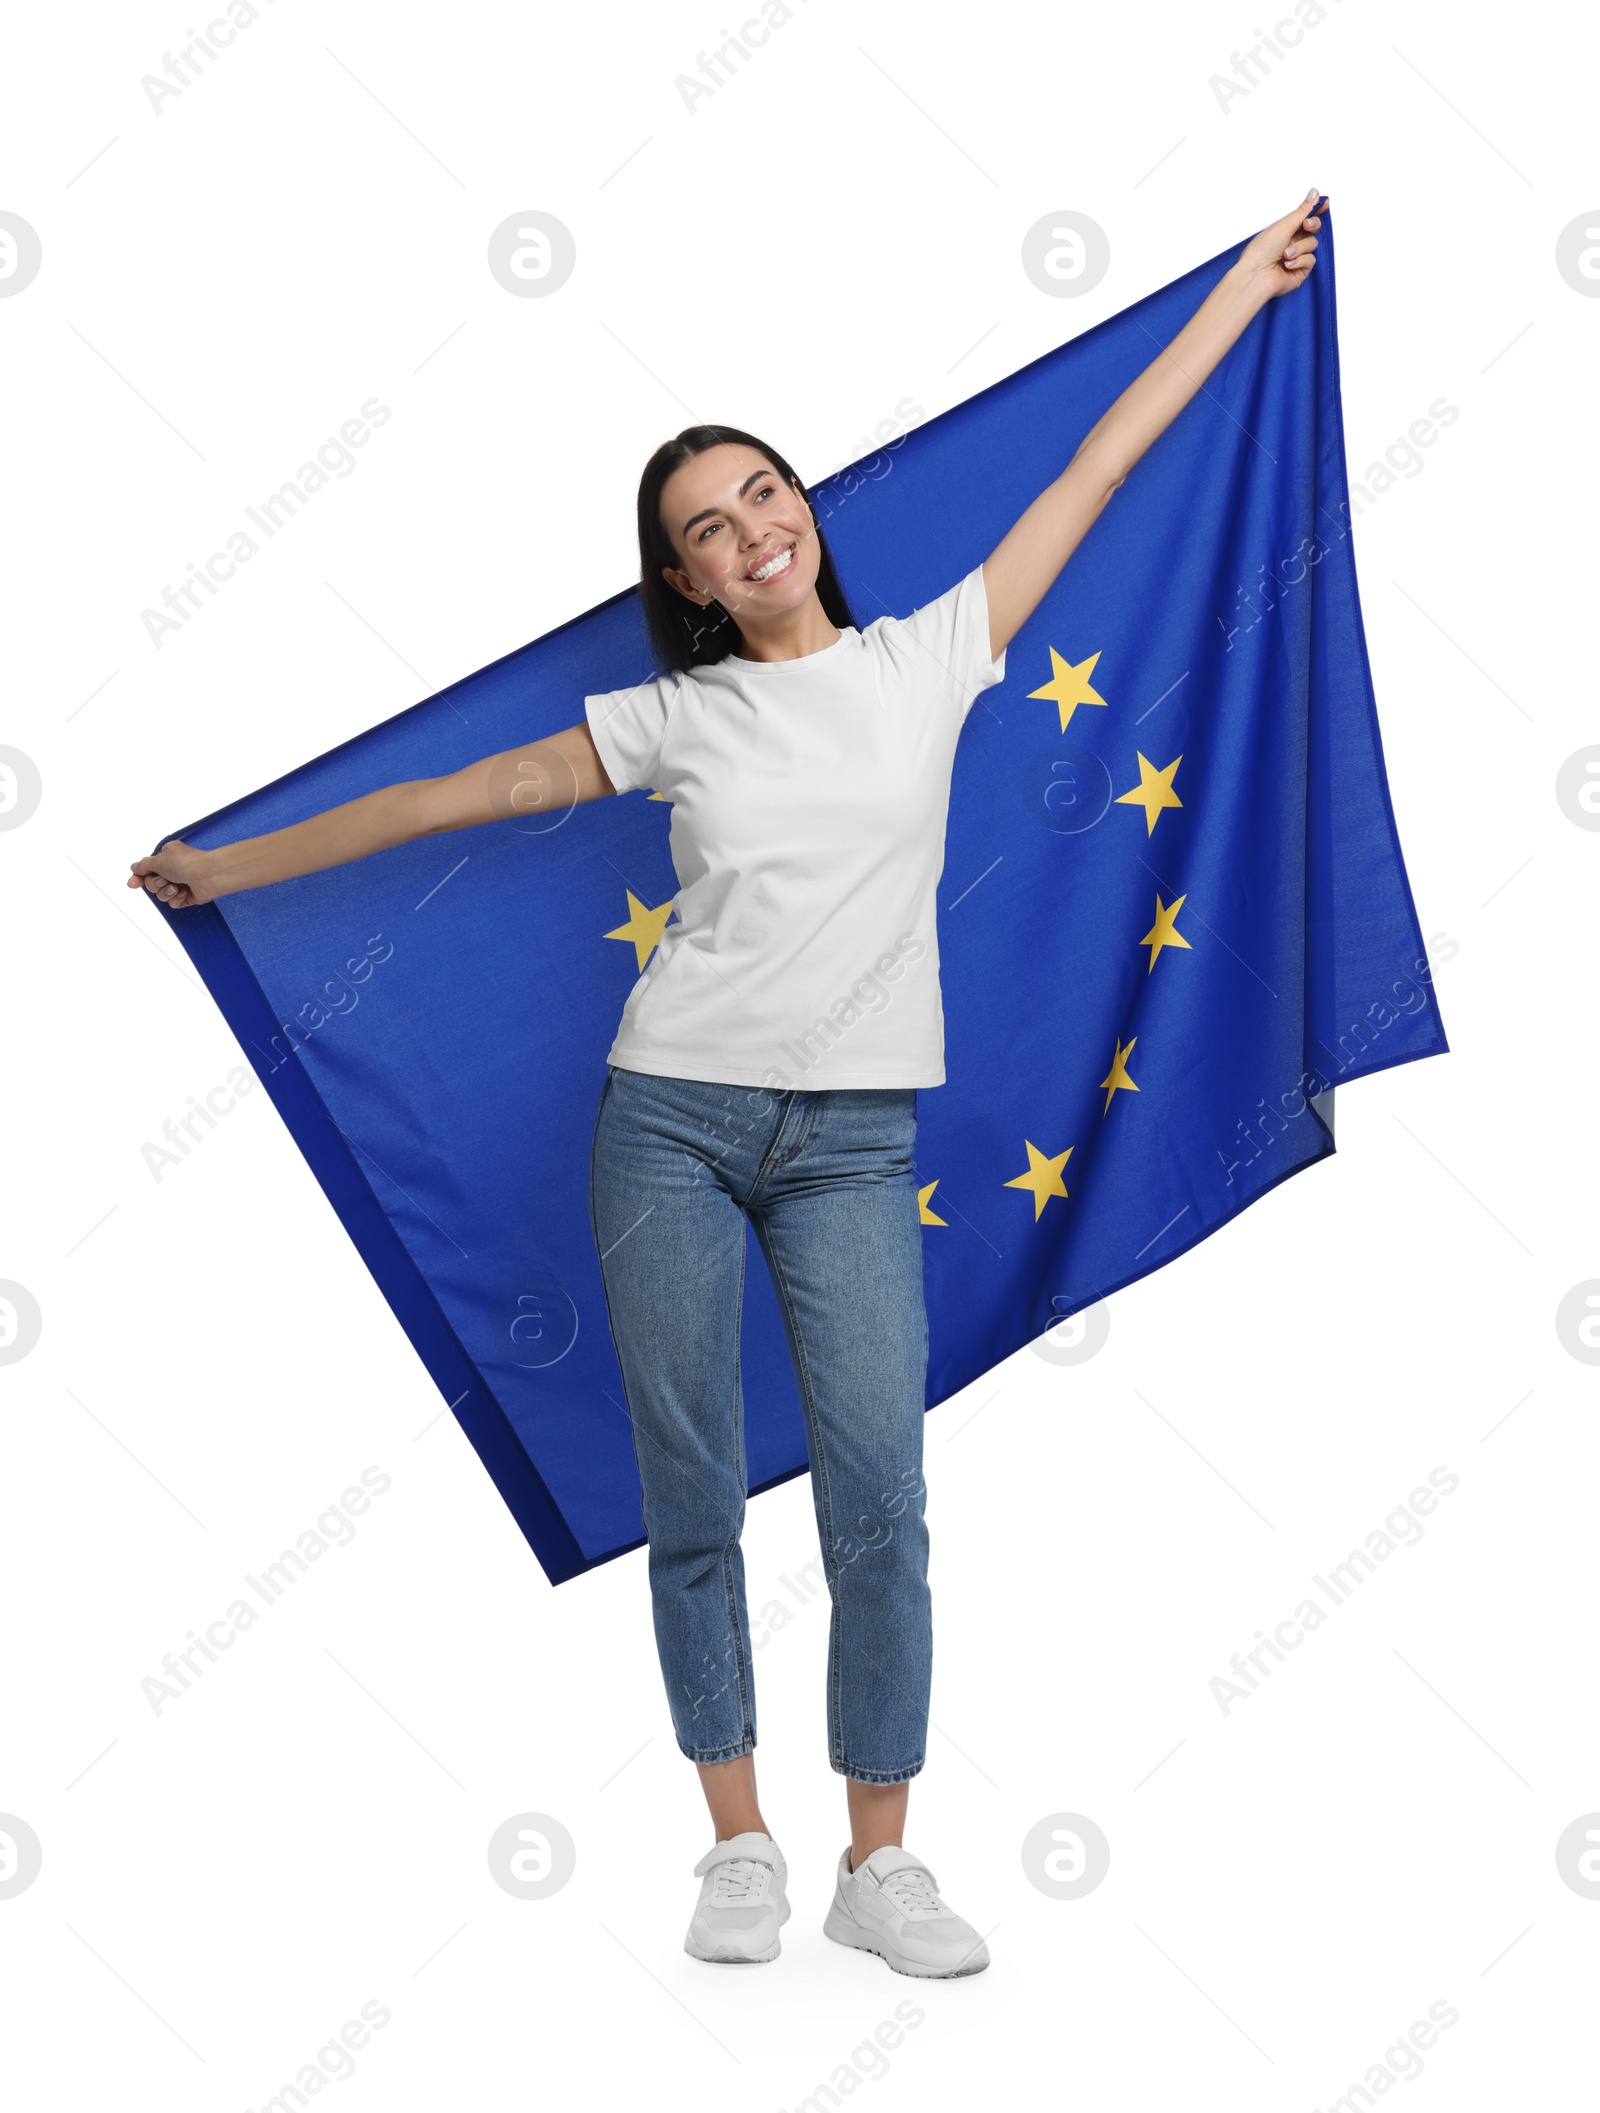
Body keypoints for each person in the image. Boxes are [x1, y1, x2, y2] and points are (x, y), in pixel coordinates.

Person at [129, 185, 1325, 1978]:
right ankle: (738, 1842)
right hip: (669, 1126)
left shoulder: (933, 655)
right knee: (692, 1480)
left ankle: (881, 1860)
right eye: (706, 526)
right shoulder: (672, 719)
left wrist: (1242, 290)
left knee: (878, 1495)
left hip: (851, 1146)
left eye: (763, 494)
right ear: (681, 580)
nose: (747, 529)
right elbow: (456, 801)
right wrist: (238, 868)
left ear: (803, 518)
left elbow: (1094, 467)